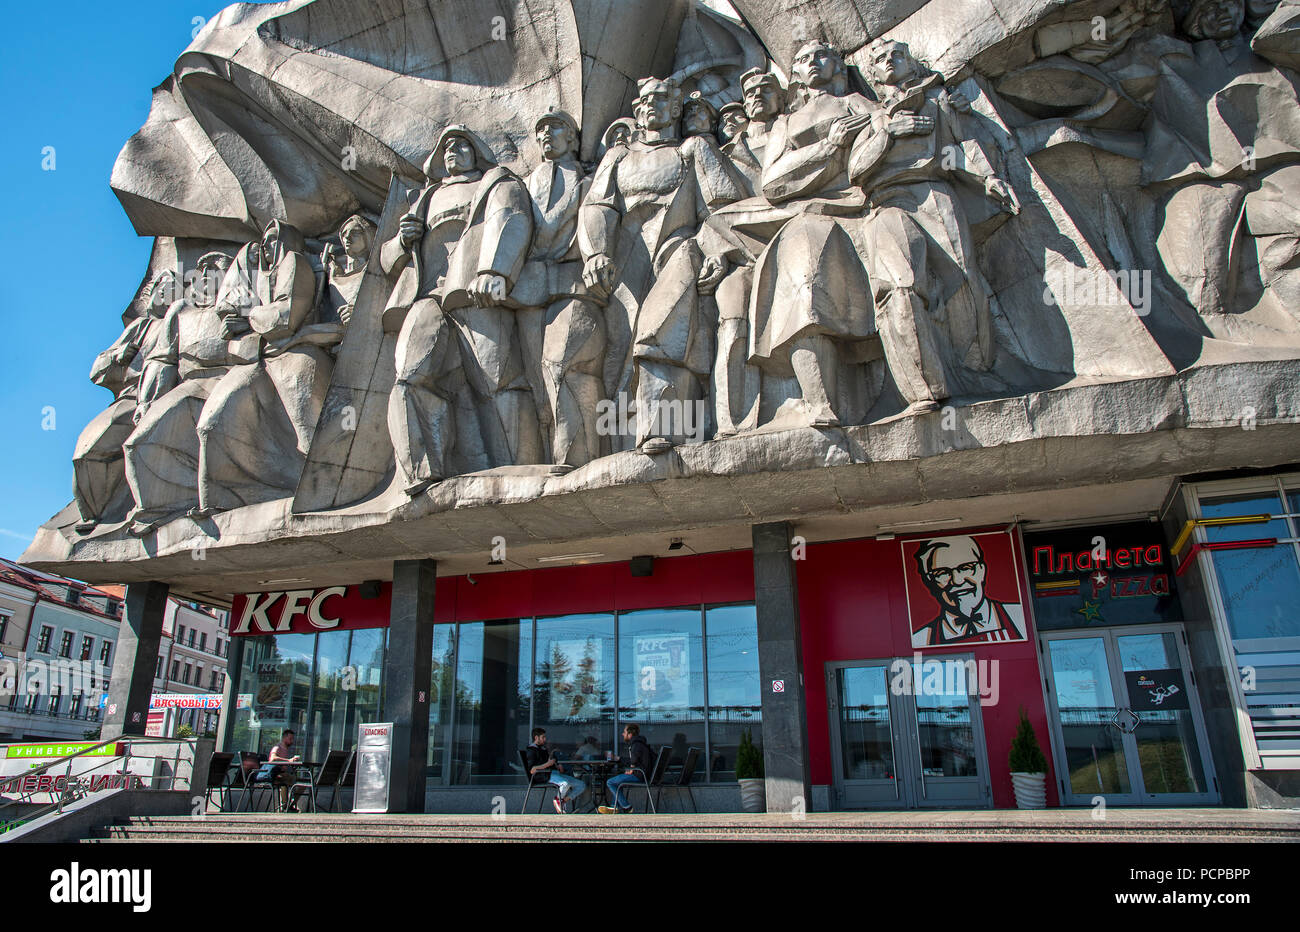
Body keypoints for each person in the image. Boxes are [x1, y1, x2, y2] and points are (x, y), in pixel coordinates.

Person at [912, 536, 1027, 646]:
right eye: (942, 573)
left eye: (966, 568)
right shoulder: (922, 639)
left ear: (982, 570)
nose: (957, 581)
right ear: (929, 581)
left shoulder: (1019, 617)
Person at [524, 727, 587, 813]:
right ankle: (557, 800)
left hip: (553, 773)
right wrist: (548, 764)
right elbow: (532, 770)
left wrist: (556, 765)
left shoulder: (542, 749)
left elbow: (547, 761)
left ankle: (562, 801)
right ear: (536, 737)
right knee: (565, 784)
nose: (545, 739)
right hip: (543, 775)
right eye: (543, 737)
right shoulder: (531, 750)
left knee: (581, 785)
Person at [599, 723, 651, 814]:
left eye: (624, 732)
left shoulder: (636, 744)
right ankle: (614, 807)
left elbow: (634, 760)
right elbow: (634, 759)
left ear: (630, 734)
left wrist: (631, 769)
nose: (623, 734)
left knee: (610, 782)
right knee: (618, 782)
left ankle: (627, 806)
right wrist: (618, 758)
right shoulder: (640, 743)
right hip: (642, 773)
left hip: (639, 775)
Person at [267, 728, 302, 812]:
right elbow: (272, 759)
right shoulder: (277, 747)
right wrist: (288, 760)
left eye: (292, 739)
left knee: (301, 784)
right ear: (284, 738)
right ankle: (285, 805)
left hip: (285, 774)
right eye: (290, 739)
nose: (292, 741)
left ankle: (290, 805)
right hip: (276, 774)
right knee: (288, 779)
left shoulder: (287, 749)